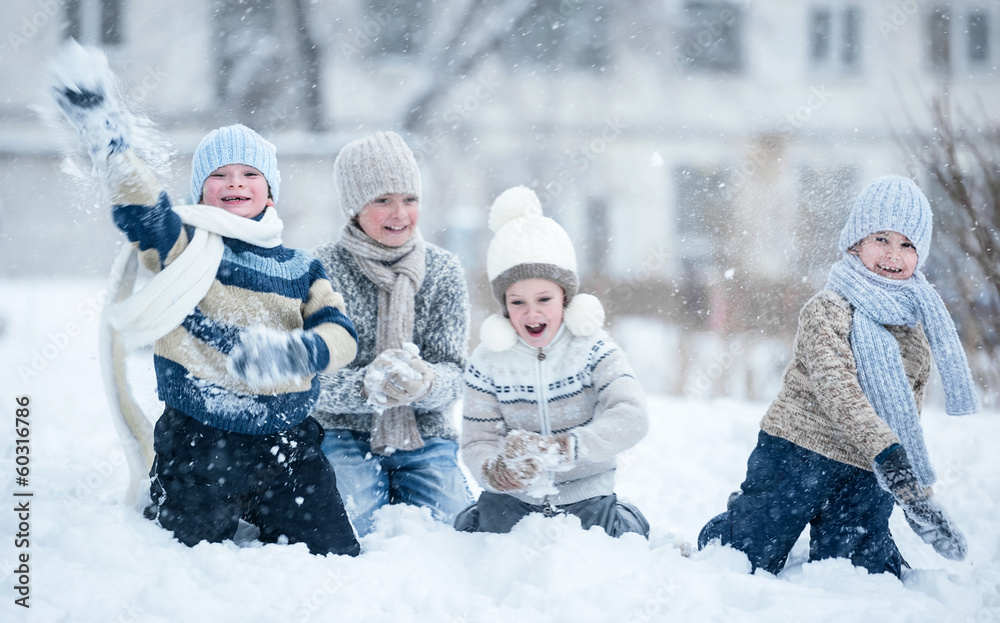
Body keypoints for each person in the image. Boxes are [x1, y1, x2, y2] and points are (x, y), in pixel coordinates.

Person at [52, 46, 361, 556]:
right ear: (200, 192)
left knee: (333, 553)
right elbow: (144, 209)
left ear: (270, 193)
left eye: (249, 174)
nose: (234, 182)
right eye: (219, 175)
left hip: (287, 443)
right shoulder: (185, 248)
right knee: (185, 556)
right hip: (200, 442)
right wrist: (110, 144)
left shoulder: (301, 268)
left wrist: (298, 353)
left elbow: (342, 335)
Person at [697, 175, 979, 577]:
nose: (893, 255)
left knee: (860, 572)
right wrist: (891, 458)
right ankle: (736, 524)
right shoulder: (827, 309)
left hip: (867, 468)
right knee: (749, 556)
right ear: (855, 242)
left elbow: (904, 417)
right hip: (798, 454)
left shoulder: (916, 329)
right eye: (881, 238)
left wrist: (915, 492)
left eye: (907, 244)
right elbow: (838, 391)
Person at [454, 186, 650, 537]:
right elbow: (476, 440)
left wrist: (567, 448)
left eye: (544, 298)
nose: (532, 313)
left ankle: (627, 518)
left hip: (587, 494)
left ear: (566, 296)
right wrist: (496, 471)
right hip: (512, 499)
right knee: (479, 532)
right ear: (504, 304)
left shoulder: (593, 348)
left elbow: (632, 416)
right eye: (517, 302)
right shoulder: (487, 361)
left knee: (613, 537)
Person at [311, 131, 473, 536]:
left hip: (425, 434)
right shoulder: (321, 268)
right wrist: (366, 388)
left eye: (410, 199)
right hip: (342, 432)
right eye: (382, 200)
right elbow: (308, 377)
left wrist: (426, 382)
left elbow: (456, 373)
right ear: (354, 207)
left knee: (456, 532)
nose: (399, 213)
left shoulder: (443, 270)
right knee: (352, 529)